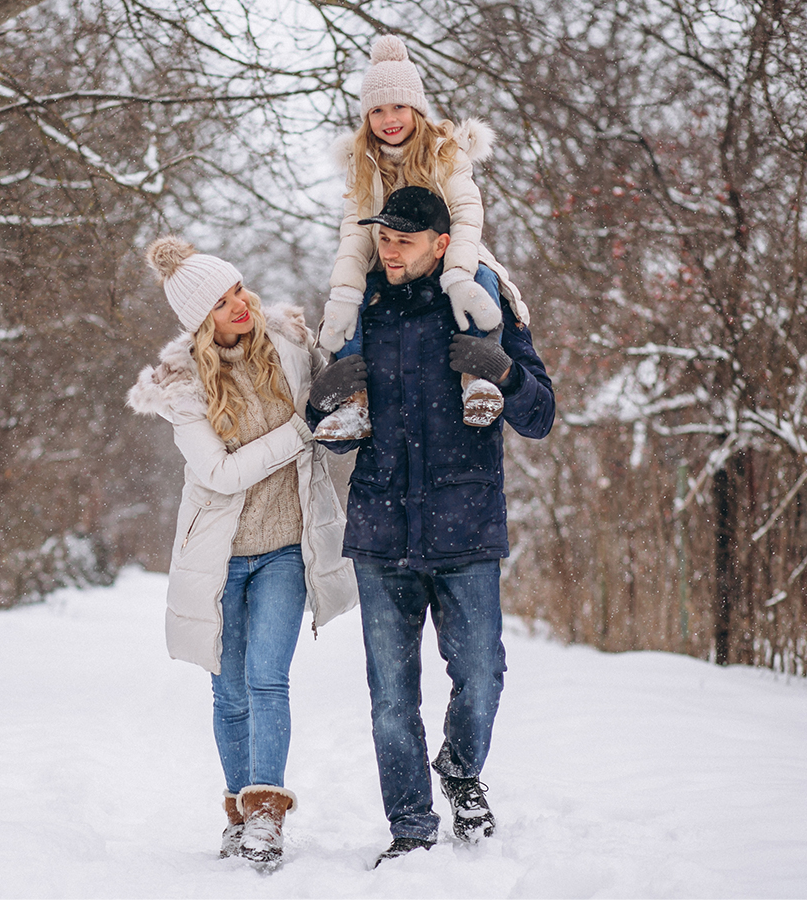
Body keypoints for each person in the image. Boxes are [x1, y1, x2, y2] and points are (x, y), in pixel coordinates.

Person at [306, 186, 555, 866]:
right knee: (391, 698)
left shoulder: (479, 307)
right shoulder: (365, 312)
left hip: (465, 528)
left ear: (441, 244)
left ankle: (461, 768)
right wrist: (322, 404)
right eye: (383, 237)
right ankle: (411, 829)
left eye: (405, 238)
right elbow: (328, 431)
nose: (389, 249)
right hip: (381, 531)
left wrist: (502, 372)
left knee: (482, 674)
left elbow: (540, 415)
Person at [127, 236, 358, 866]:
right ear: (200, 321)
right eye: (221, 301)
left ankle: (265, 817)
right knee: (227, 692)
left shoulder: (287, 345)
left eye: (237, 289)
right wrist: (298, 430)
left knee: (266, 679)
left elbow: (337, 389)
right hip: (220, 558)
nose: (239, 304)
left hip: (285, 548)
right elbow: (222, 475)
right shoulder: (181, 388)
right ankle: (236, 810)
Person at [316, 34, 531, 436]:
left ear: (417, 108)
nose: (388, 118)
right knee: (352, 304)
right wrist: (345, 291)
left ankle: (478, 380)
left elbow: (467, 214)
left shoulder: (445, 153)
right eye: (377, 110)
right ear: (366, 118)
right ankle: (353, 404)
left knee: (481, 280)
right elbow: (355, 231)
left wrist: (458, 275)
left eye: (399, 106)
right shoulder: (362, 164)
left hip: (451, 253)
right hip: (390, 261)